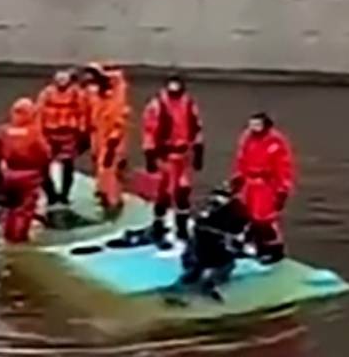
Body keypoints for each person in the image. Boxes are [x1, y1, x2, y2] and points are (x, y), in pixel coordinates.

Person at [142, 73, 204, 244]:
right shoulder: (157, 105)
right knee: (163, 192)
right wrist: (150, 154)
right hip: (165, 156)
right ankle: (158, 223)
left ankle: (182, 226)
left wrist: (199, 150)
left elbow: (196, 126)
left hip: (183, 156)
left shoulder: (189, 104)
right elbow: (149, 130)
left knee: (183, 191)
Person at [231, 111, 296, 263]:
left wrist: (282, 190)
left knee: (265, 219)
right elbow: (241, 160)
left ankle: (274, 250)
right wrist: (237, 178)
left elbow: (284, 167)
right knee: (248, 215)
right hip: (249, 183)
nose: (253, 128)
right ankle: (257, 246)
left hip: (267, 185)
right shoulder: (247, 138)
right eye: (252, 124)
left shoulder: (276, 142)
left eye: (257, 125)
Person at [0, 97, 51, 244]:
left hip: (8, 175)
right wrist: (44, 176)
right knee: (24, 211)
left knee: (9, 210)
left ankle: (8, 237)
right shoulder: (34, 133)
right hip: (30, 176)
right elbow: (46, 155)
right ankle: (19, 240)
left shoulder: (3, 132)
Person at [176, 186, 250, 301]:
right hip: (202, 256)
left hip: (218, 259)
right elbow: (193, 237)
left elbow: (236, 239)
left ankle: (210, 289)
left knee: (208, 278)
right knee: (191, 277)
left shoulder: (233, 216)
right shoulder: (205, 216)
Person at [82, 62, 130, 219]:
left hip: (111, 141)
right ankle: (105, 195)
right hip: (99, 138)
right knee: (102, 169)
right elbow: (89, 114)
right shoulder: (95, 94)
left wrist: (113, 141)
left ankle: (113, 202)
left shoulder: (115, 96)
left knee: (110, 171)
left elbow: (119, 122)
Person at [36, 67, 88, 206]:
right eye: (59, 80)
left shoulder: (77, 94)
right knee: (42, 165)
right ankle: (51, 194)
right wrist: (38, 132)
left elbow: (82, 113)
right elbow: (39, 113)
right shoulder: (46, 93)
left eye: (64, 80)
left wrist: (82, 133)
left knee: (68, 165)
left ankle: (65, 195)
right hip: (49, 134)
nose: (61, 83)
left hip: (69, 134)